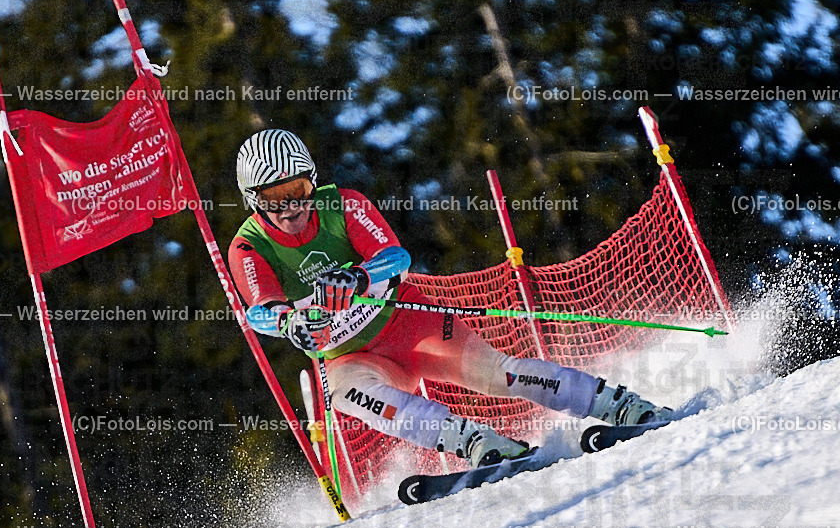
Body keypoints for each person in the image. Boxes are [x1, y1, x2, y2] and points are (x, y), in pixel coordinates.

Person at [227, 129, 669, 468]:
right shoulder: (248, 246)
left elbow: (395, 256)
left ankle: (616, 403)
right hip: (349, 355)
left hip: (407, 324)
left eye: (298, 191)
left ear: (313, 183)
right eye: (273, 198)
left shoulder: (342, 205)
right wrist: (288, 322)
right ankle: (475, 442)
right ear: (253, 201)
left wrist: (359, 276)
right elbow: (261, 310)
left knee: (498, 375)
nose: (290, 209)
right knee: (346, 394)